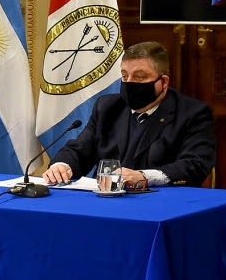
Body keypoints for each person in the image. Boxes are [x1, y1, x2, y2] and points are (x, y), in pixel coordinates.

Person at [42, 42, 215, 188]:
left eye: (139, 77)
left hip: (158, 203)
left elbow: (195, 164)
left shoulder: (192, 113)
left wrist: (144, 177)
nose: (129, 83)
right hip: (104, 201)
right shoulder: (108, 107)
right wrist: (62, 166)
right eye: (125, 76)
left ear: (163, 82)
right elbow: (80, 150)